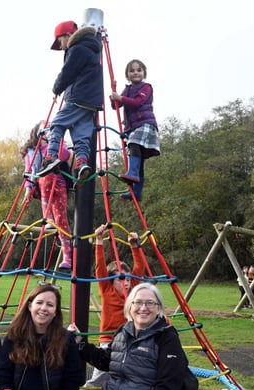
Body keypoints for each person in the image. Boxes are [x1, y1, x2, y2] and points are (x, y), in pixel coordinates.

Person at [77, 224, 144, 390]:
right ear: (110, 281)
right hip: (109, 343)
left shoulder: (133, 295)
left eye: (129, 279)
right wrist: (99, 241)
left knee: (129, 377)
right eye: (121, 280)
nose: (127, 283)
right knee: (98, 379)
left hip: (130, 342)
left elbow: (139, 268)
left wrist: (135, 246)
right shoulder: (106, 290)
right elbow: (100, 268)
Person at [37, 20, 103, 184]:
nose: (61, 47)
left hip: (78, 97)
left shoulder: (77, 48)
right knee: (81, 136)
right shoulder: (91, 49)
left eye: (60, 42)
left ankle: (50, 157)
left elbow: (67, 72)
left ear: (68, 35)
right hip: (91, 102)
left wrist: (56, 89)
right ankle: (82, 163)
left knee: (57, 124)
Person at [21, 120, 74, 269]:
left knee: (61, 220)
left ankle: (68, 258)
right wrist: (28, 190)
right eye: (46, 128)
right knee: (45, 175)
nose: (50, 130)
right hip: (44, 187)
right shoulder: (33, 152)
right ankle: (47, 216)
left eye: (52, 128)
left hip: (60, 187)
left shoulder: (57, 146)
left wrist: (54, 142)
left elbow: (65, 155)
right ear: (38, 135)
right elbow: (30, 172)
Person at [110, 59, 160, 201]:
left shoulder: (146, 87)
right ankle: (137, 192)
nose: (135, 73)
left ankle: (132, 173)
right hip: (133, 127)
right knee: (139, 158)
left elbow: (137, 102)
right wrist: (114, 94)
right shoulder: (127, 89)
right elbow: (116, 106)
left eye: (139, 70)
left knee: (133, 144)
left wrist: (120, 97)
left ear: (144, 73)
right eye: (132, 71)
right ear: (127, 75)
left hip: (145, 124)